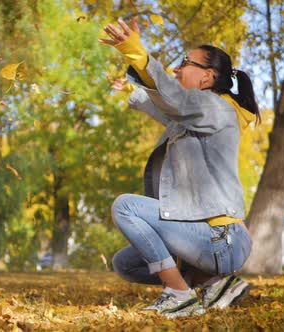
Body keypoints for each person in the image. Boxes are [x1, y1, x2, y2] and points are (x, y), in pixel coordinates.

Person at [99, 17, 259, 318]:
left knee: (126, 208)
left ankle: (179, 294)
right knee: (126, 263)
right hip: (209, 237)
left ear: (207, 77)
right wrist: (133, 92)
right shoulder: (199, 114)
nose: (176, 68)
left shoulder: (216, 107)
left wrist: (138, 55)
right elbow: (170, 112)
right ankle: (215, 284)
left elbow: (176, 103)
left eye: (186, 62)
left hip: (220, 238)